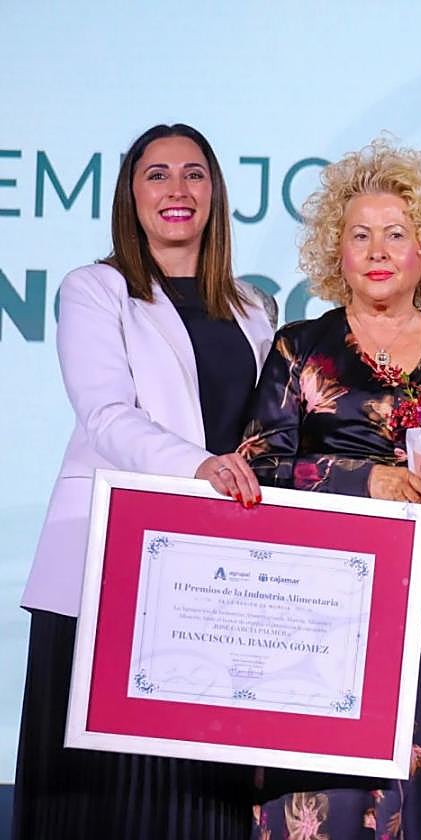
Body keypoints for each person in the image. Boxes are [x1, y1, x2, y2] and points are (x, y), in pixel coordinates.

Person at [14, 123, 277, 839]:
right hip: (109, 561)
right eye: (156, 174)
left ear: (215, 192)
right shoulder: (96, 289)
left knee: (197, 789)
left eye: (194, 173)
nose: (177, 189)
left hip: (209, 573)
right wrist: (200, 467)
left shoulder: (255, 307)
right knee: (103, 797)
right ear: (131, 195)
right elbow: (104, 415)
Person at [242, 139, 421, 840]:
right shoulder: (300, 348)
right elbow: (259, 472)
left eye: (397, 234)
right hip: (322, 617)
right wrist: (364, 479)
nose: (378, 250)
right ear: (338, 251)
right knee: (327, 814)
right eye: (360, 235)